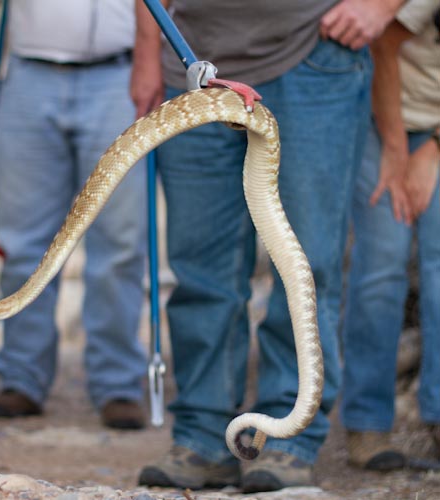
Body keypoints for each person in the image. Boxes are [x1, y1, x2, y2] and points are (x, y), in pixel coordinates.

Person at [130, 0, 403, 492]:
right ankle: (203, 438)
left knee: (306, 262)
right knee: (198, 266)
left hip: (312, 58)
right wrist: (148, 53)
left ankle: (288, 438)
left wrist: (383, 6)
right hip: (191, 60)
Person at [0, 0, 149, 430]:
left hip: (119, 73)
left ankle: (118, 385)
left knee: (120, 242)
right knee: (23, 242)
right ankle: (21, 379)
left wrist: (151, 61)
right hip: (28, 71)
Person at [340, 0, 440, 471]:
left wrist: (433, 150)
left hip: (434, 135)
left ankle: (437, 419)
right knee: (382, 261)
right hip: (384, 119)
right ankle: (367, 423)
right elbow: (383, 41)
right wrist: (399, 152)